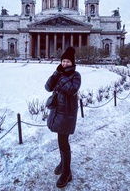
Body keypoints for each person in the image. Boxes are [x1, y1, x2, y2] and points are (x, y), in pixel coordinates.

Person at [45, 47, 81, 188]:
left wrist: (62, 77)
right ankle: (63, 163)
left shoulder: (76, 75)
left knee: (63, 140)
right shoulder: (59, 74)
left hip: (67, 113)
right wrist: (55, 75)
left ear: (72, 63)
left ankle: (67, 172)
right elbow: (48, 88)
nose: (65, 64)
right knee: (61, 140)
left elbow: (72, 89)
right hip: (57, 111)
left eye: (67, 61)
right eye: (63, 61)